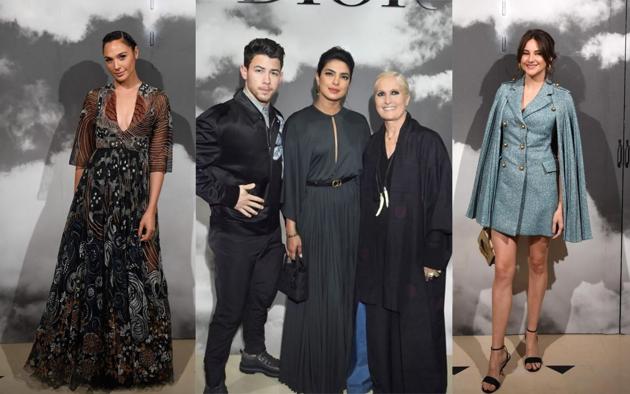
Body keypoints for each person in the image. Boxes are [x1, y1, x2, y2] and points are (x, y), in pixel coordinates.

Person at [25, 31, 174, 389]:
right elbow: (82, 155)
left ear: (136, 53)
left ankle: (130, 365)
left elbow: (157, 160)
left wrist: (151, 209)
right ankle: (89, 363)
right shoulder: (95, 98)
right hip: (92, 204)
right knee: (86, 282)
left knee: (135, 279)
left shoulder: (157, 102)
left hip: (135, 203)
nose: (116, 65)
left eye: (121, 56)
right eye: (109, 59)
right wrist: (81, 210)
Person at [467, 29, 591, 393]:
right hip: (504, 190)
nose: (530, 58)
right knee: (503, 272)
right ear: (520, 57)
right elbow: (491, 147)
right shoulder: (504, 94)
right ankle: (495, 355)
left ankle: (532, 338)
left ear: (549, 60)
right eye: (525, 52)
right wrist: (487, 204)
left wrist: (561, 205)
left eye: (538, 53)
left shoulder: (561, 100)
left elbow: (569, 157)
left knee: (538, 265)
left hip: (542, 191)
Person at [196, 38, 285, 394]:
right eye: (259, 70)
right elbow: (197, 174)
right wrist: (231, 196)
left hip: (270, 235)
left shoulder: (278, 119)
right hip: (233, 236)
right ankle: (214, 384)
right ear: (244, 71)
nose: (266, 80)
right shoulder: (216, 119)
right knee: (229, 312)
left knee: (261, 299)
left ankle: (254, 353)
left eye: (274, 72)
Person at [280, 46, 371, 394]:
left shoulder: (359, 123)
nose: (336, 82)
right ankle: (314, 377)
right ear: (317, 78)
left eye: (344, 76)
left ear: (349, 83)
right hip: (314, 212)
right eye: (330, 74)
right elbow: (291, 181)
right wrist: (292, 229)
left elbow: (369, 177)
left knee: (347, 294)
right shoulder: (298, 123)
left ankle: (346, 373)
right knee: (317, 296)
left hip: (352, 212)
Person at [356, 71, 451, 393]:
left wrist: (434, 256)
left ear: (407, 98)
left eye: (394, 93)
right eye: (381, 95)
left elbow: (441, 202)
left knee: (418, 332)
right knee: (381, 331)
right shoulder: (371, 147)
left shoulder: (428, 142)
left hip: (416, 255)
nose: (387, 100)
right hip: (378, 256)